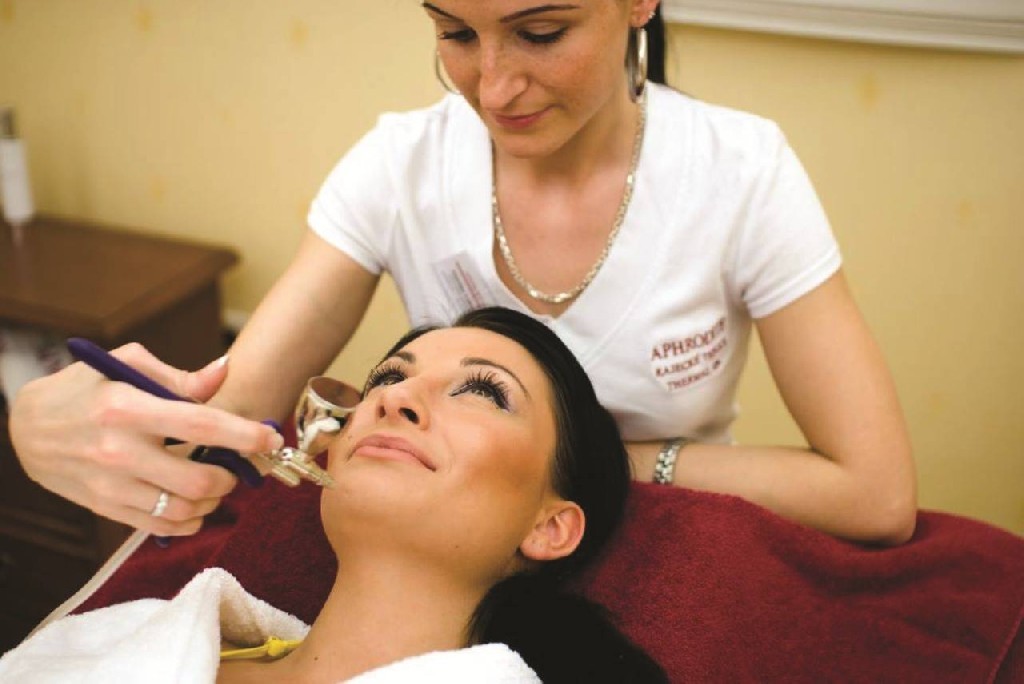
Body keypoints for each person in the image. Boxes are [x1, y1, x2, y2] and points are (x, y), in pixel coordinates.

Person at [9, 0, 916, 545]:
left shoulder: (742, 174)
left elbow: (876, 494)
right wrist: (40, 421)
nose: (493, 88)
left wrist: (598, 467)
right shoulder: (398, 168)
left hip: (670, 538)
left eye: (541, 32)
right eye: (454, 32)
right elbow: (228, 416)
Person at [0, 307, 668, 683]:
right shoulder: (134, 643)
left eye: (483, 391)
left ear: (550, 527)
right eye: (387, 378)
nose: (395, 399)